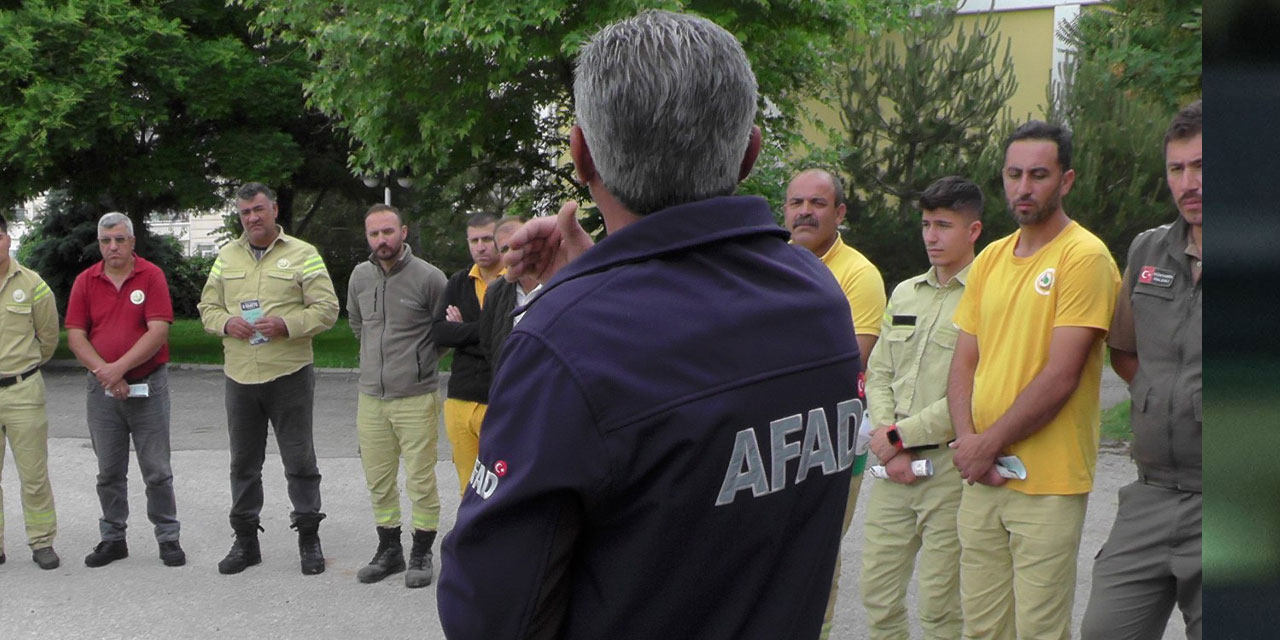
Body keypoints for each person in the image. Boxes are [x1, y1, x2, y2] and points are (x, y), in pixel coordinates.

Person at [438, 11, 863, 639]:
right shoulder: (817, 294)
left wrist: (581, 301)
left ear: (581, 154)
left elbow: (492, 612)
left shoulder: (564, 341)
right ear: (749, 152)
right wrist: (591, 282)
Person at [947, 120, 1120, 639]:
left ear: (1065, 181)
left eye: (1039, 175)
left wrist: (987, 445)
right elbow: (963, 364)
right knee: (982, 629)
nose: (1024, 188)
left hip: (1049, 482)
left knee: (1038, 631)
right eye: (1014, 174)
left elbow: (1061, 375)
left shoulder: (1083, 256)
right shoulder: (992, 259)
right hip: (982, 476)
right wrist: (967, 442)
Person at [1081, 99, 1202, 640]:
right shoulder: (1148, 250)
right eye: (1176, 168)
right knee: (1105, 631)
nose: (1188, 182)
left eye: (1202, 166)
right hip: (1149, 494)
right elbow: (1125, 351)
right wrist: (1164, 394)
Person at [860, 176, 983, 639]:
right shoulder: (905, 292)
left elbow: (970, 392)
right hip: (894, 467)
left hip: (947, 470)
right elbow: (880, 371)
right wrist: (891, 439)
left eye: (944, 225)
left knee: (939, 604)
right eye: (927, 224)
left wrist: (896, 438)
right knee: (878, 594)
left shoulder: (986, 297)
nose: (931, 237)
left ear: (972, 231)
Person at [197, 182, 339, 576]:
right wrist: (227, 322)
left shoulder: (303, 254)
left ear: (274, 209)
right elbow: (207, 307)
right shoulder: (226, 256)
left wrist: (287, 324)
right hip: (240, 376)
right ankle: (246, 542)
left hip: (288, 373)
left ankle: (309, 539)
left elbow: (328, 308)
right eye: (245, 213)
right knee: (243, 463)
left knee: (300, 460)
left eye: (259, 210)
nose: (252, 218)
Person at [783, 167, 885, 638]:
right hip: (777, 432)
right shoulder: (770, 264)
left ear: (840, 213)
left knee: (818, 549)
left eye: (818, 204)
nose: (805, 212)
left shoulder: (859, 275)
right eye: (796, 203)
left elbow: (850, 363)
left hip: (835, 437)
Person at [65, 212, 184, 568]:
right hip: (102, 391)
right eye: (105, 241)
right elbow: (75, 335)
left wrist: (119, 369)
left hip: (148, 386)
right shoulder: (86, 281)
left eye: (119, 239)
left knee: (157, 469)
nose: (112, 246)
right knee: (109, 471)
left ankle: (168, 538)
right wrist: (106, 374)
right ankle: (113, 538)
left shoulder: (151, 276)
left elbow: (158, 331)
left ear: (132, 241)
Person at [346, 203, 448, 588]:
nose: (381, 240)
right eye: (374, 234)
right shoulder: (359, 277)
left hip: (416, 395)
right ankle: (389, 549)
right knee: (378, 477)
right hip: (371, 396)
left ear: (403, 232)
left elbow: (442, 335)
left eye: (388, 232)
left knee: (420, 477)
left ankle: (422, 550)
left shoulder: (429, 278)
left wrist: (420, 363)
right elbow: (357, 323)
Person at [0, 214, 60, 570]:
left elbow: (48, 336)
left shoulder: (33, 284)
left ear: (8, 239)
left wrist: (28, 365)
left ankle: (42, 542)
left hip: (23, 389)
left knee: (33, 475)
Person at [434, 212, 501, 493]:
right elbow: (440, 332)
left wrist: (465, 331)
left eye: (487, 238)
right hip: (460, 398)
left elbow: (509, 338)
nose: (481, 246)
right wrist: (487, 329)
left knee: (499, 484)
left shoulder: (514, 282)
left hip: (498, 398)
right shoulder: (459, 282)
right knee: (468, 486)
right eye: (474, 240)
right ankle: (472, 537)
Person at [474, 216, 541, 375]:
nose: (513, 253)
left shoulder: (560, 284)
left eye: (519, 243)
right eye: (505, 249)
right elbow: (489, 345)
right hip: (511, 388)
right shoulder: (495, 292)